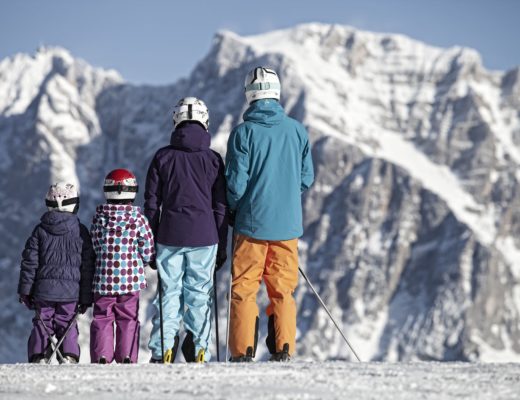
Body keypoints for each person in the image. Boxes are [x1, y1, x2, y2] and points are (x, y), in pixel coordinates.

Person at [226, 67, 314, 362]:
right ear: (277, 92)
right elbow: (306, 178)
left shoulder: (243, 133)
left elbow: (236, 185)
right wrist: (285, 196)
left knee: (244, 289)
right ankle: (284, 348)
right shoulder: (297, 130)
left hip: (251, 225)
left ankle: (243, 351)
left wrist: (233, 208)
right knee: (283, 291)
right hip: (288, 227)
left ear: (249, 95)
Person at [145, 97, 228, 363]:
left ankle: (163, 349)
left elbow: (151, 204)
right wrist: (221, 245)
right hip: (205, 237)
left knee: (168, 293)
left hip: (169, 234)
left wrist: (151, 240)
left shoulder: (162, 157)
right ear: (205, 121)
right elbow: (221, 207)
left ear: (176, 121)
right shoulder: (214, 160)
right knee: (199, 294)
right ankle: (199, 348)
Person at [18, 182, 95, 363]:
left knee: (42, 321)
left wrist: (25, 290)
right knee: (67, 322)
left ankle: (39, 354)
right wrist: (86, 296)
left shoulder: (40, 231)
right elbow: (87, 267)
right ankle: (69, 355)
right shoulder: (81, 231)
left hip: (43, 290)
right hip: (71, 292)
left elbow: (29, 263)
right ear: (75, 204)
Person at [89, 168, 155, 364]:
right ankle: (126, 356)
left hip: (103, 280)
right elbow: (148, 247)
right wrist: (141, 261)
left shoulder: (99, 219)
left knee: (102, 317)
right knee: (128, 318)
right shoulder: (138, 220)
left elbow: (95, 244)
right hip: (130, 280)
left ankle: (102, 356)